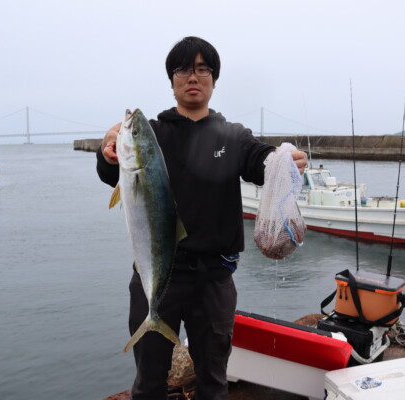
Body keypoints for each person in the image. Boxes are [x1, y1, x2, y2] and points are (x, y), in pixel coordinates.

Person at [96, 36, 308, 400]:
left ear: (213, 78)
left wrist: (281, 160)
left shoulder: (232, 136)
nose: (193, 77)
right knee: (148, 385)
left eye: (202, 69)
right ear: (172, 79)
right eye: (183, 69)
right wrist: (109, 151)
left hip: (214, 279)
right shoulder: (153, 135)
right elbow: (110, 172)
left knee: (213, 382)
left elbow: (258, 159)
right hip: (157, 277)